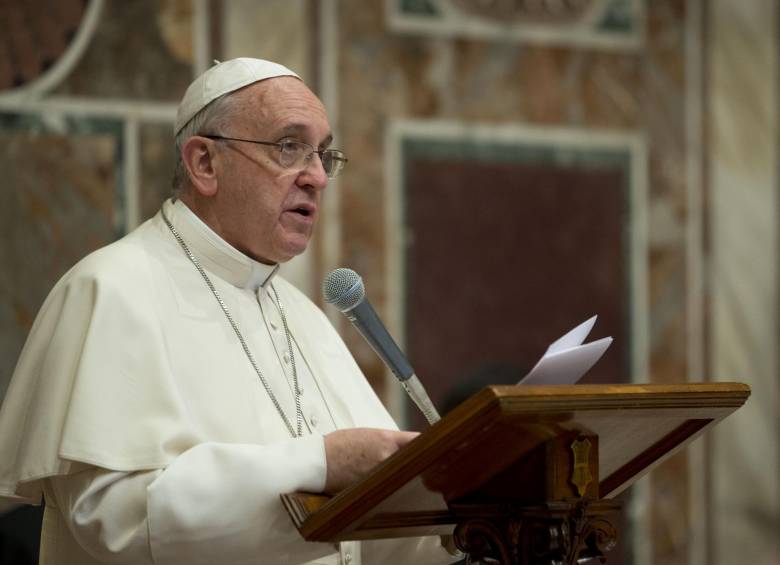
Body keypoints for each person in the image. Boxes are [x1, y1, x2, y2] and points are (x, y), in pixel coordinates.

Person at [0, 58, 457, 564]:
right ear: (204, 164)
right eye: (289, 146)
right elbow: (115, 520)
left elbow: (372, 543)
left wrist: (462, 526)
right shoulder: (110, 289)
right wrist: (320, 463)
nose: (317, 178)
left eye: (323, 154)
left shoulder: (301, 315)